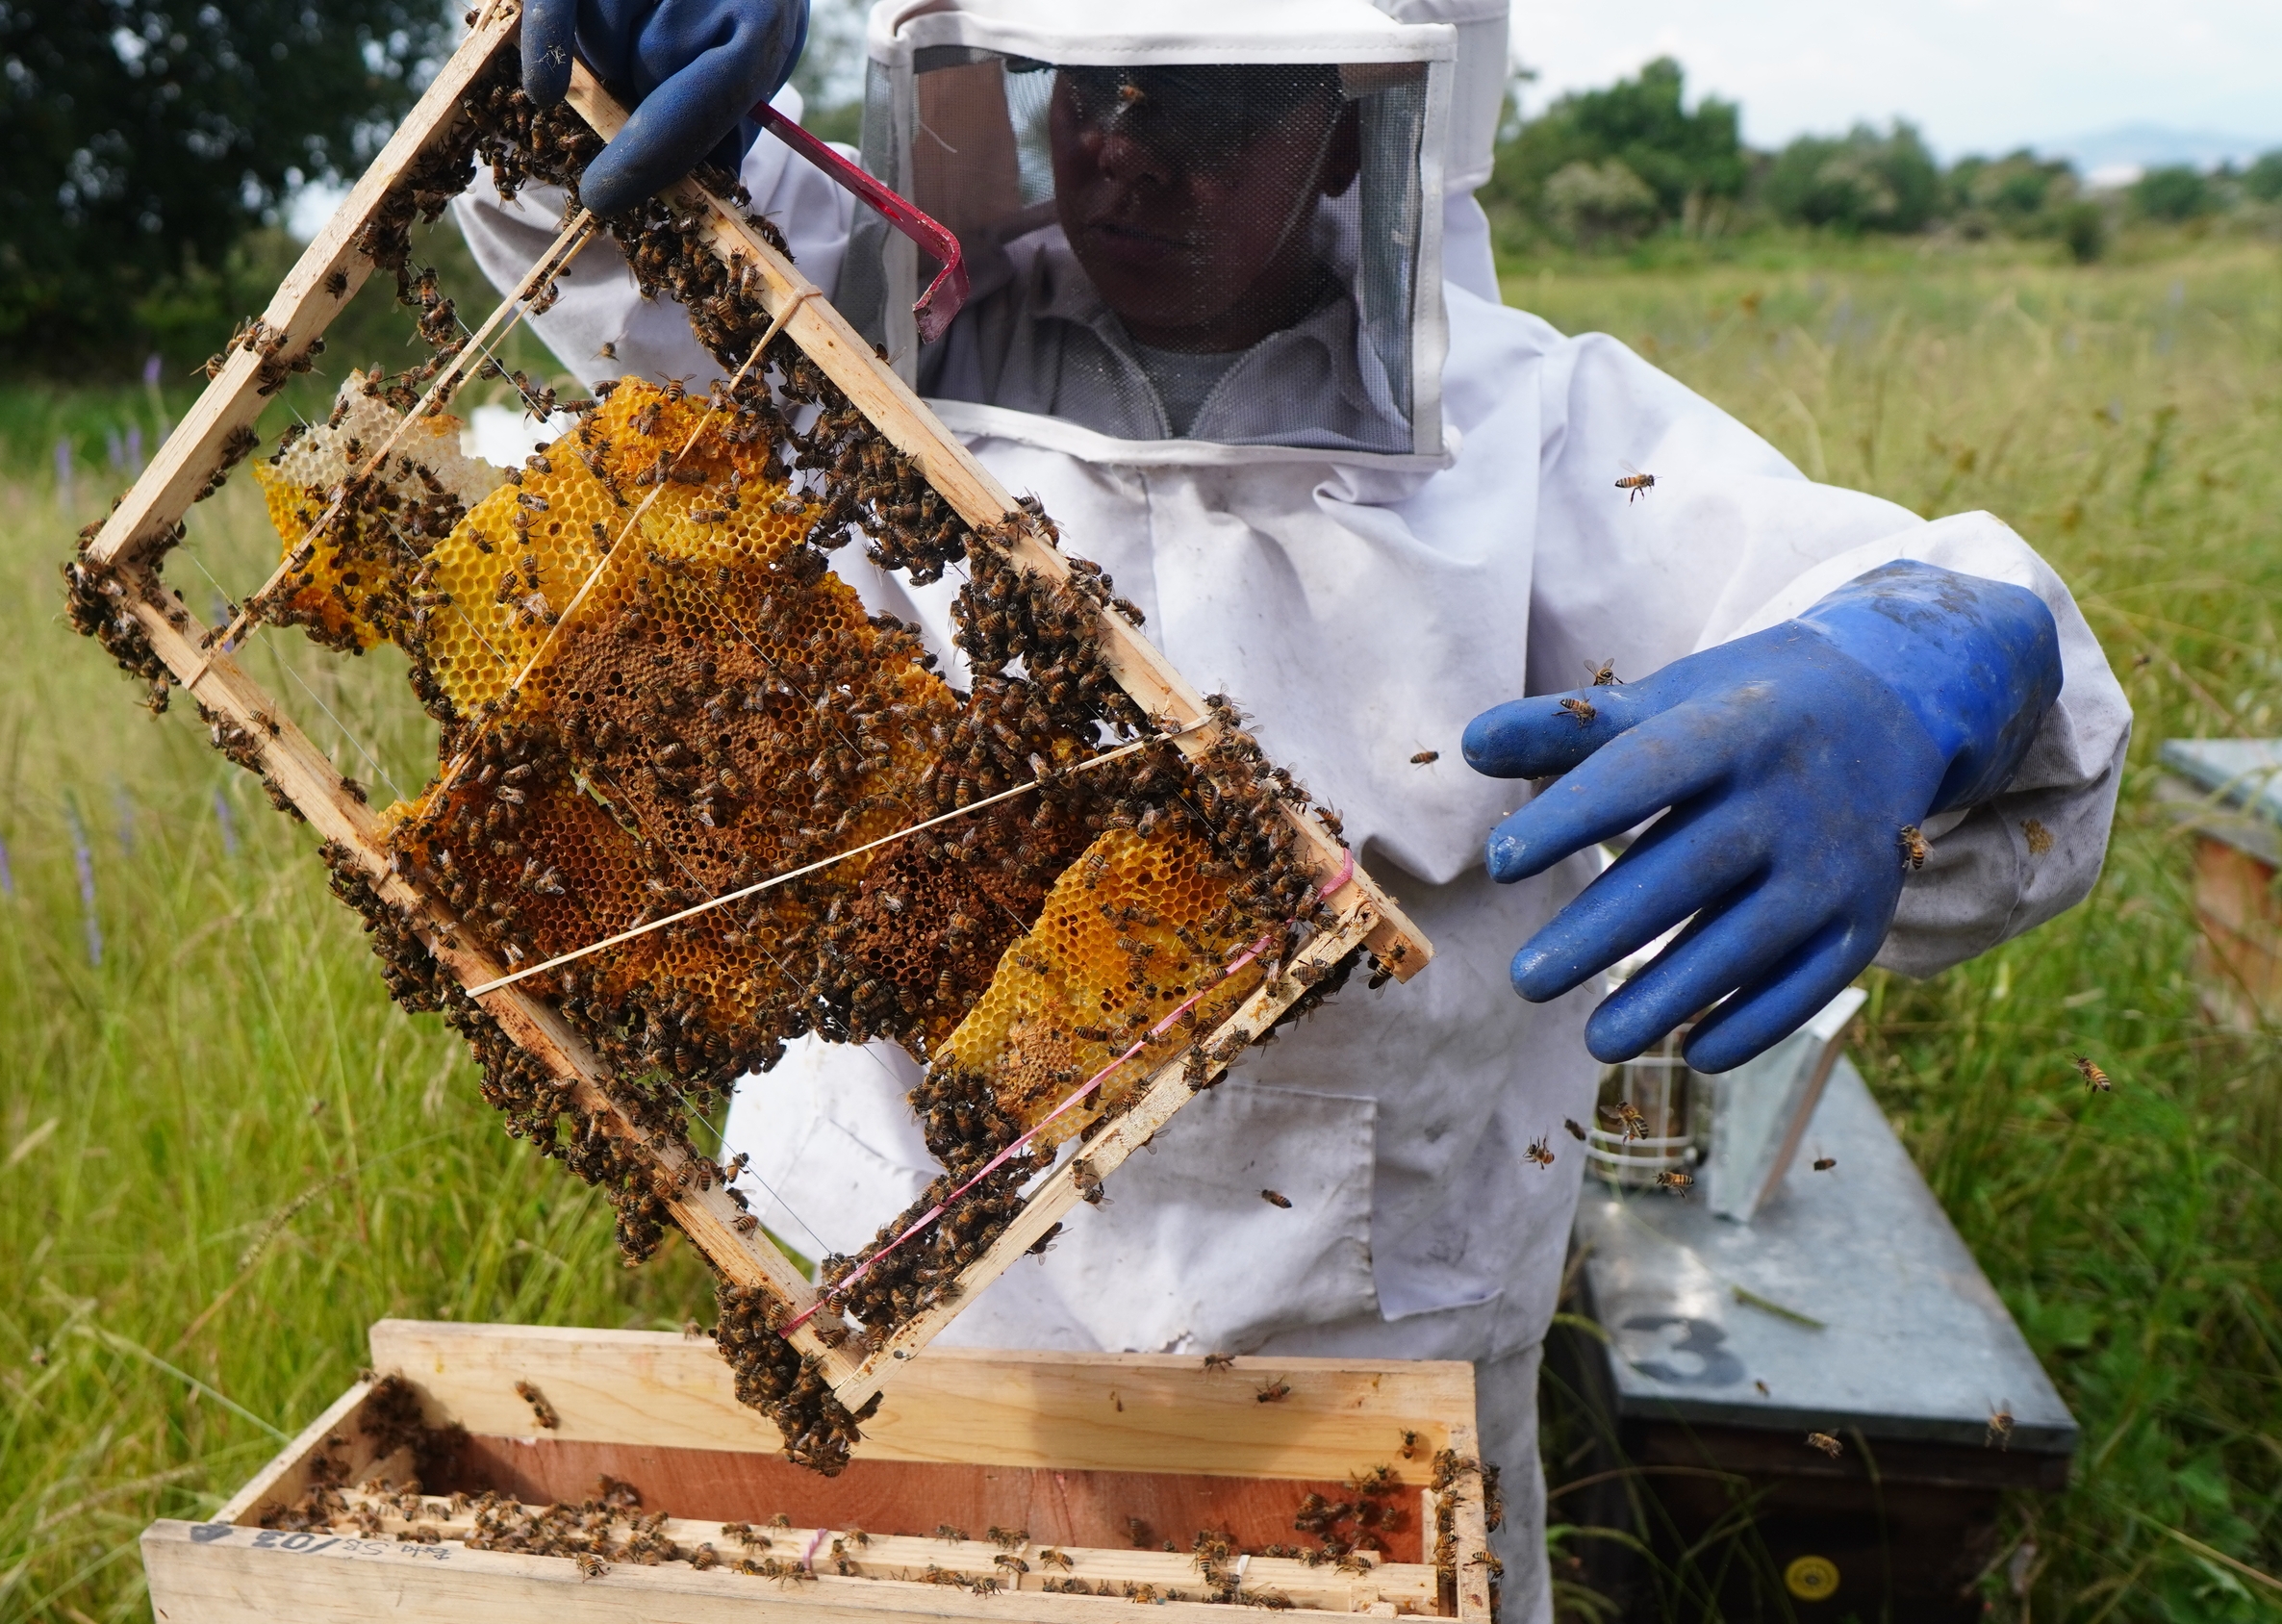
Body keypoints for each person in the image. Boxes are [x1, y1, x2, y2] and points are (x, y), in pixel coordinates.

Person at [462, 3, 2129, 1618]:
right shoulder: (867, 308)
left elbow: (1909, 614)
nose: (1126, 157)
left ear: (1357, 121)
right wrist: (579, 57)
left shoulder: (1536, 434)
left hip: (1348, 1365)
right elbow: (603, 230)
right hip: (896, 1307)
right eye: (1089, 92)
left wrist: (1929, 670)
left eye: (1209, 104)